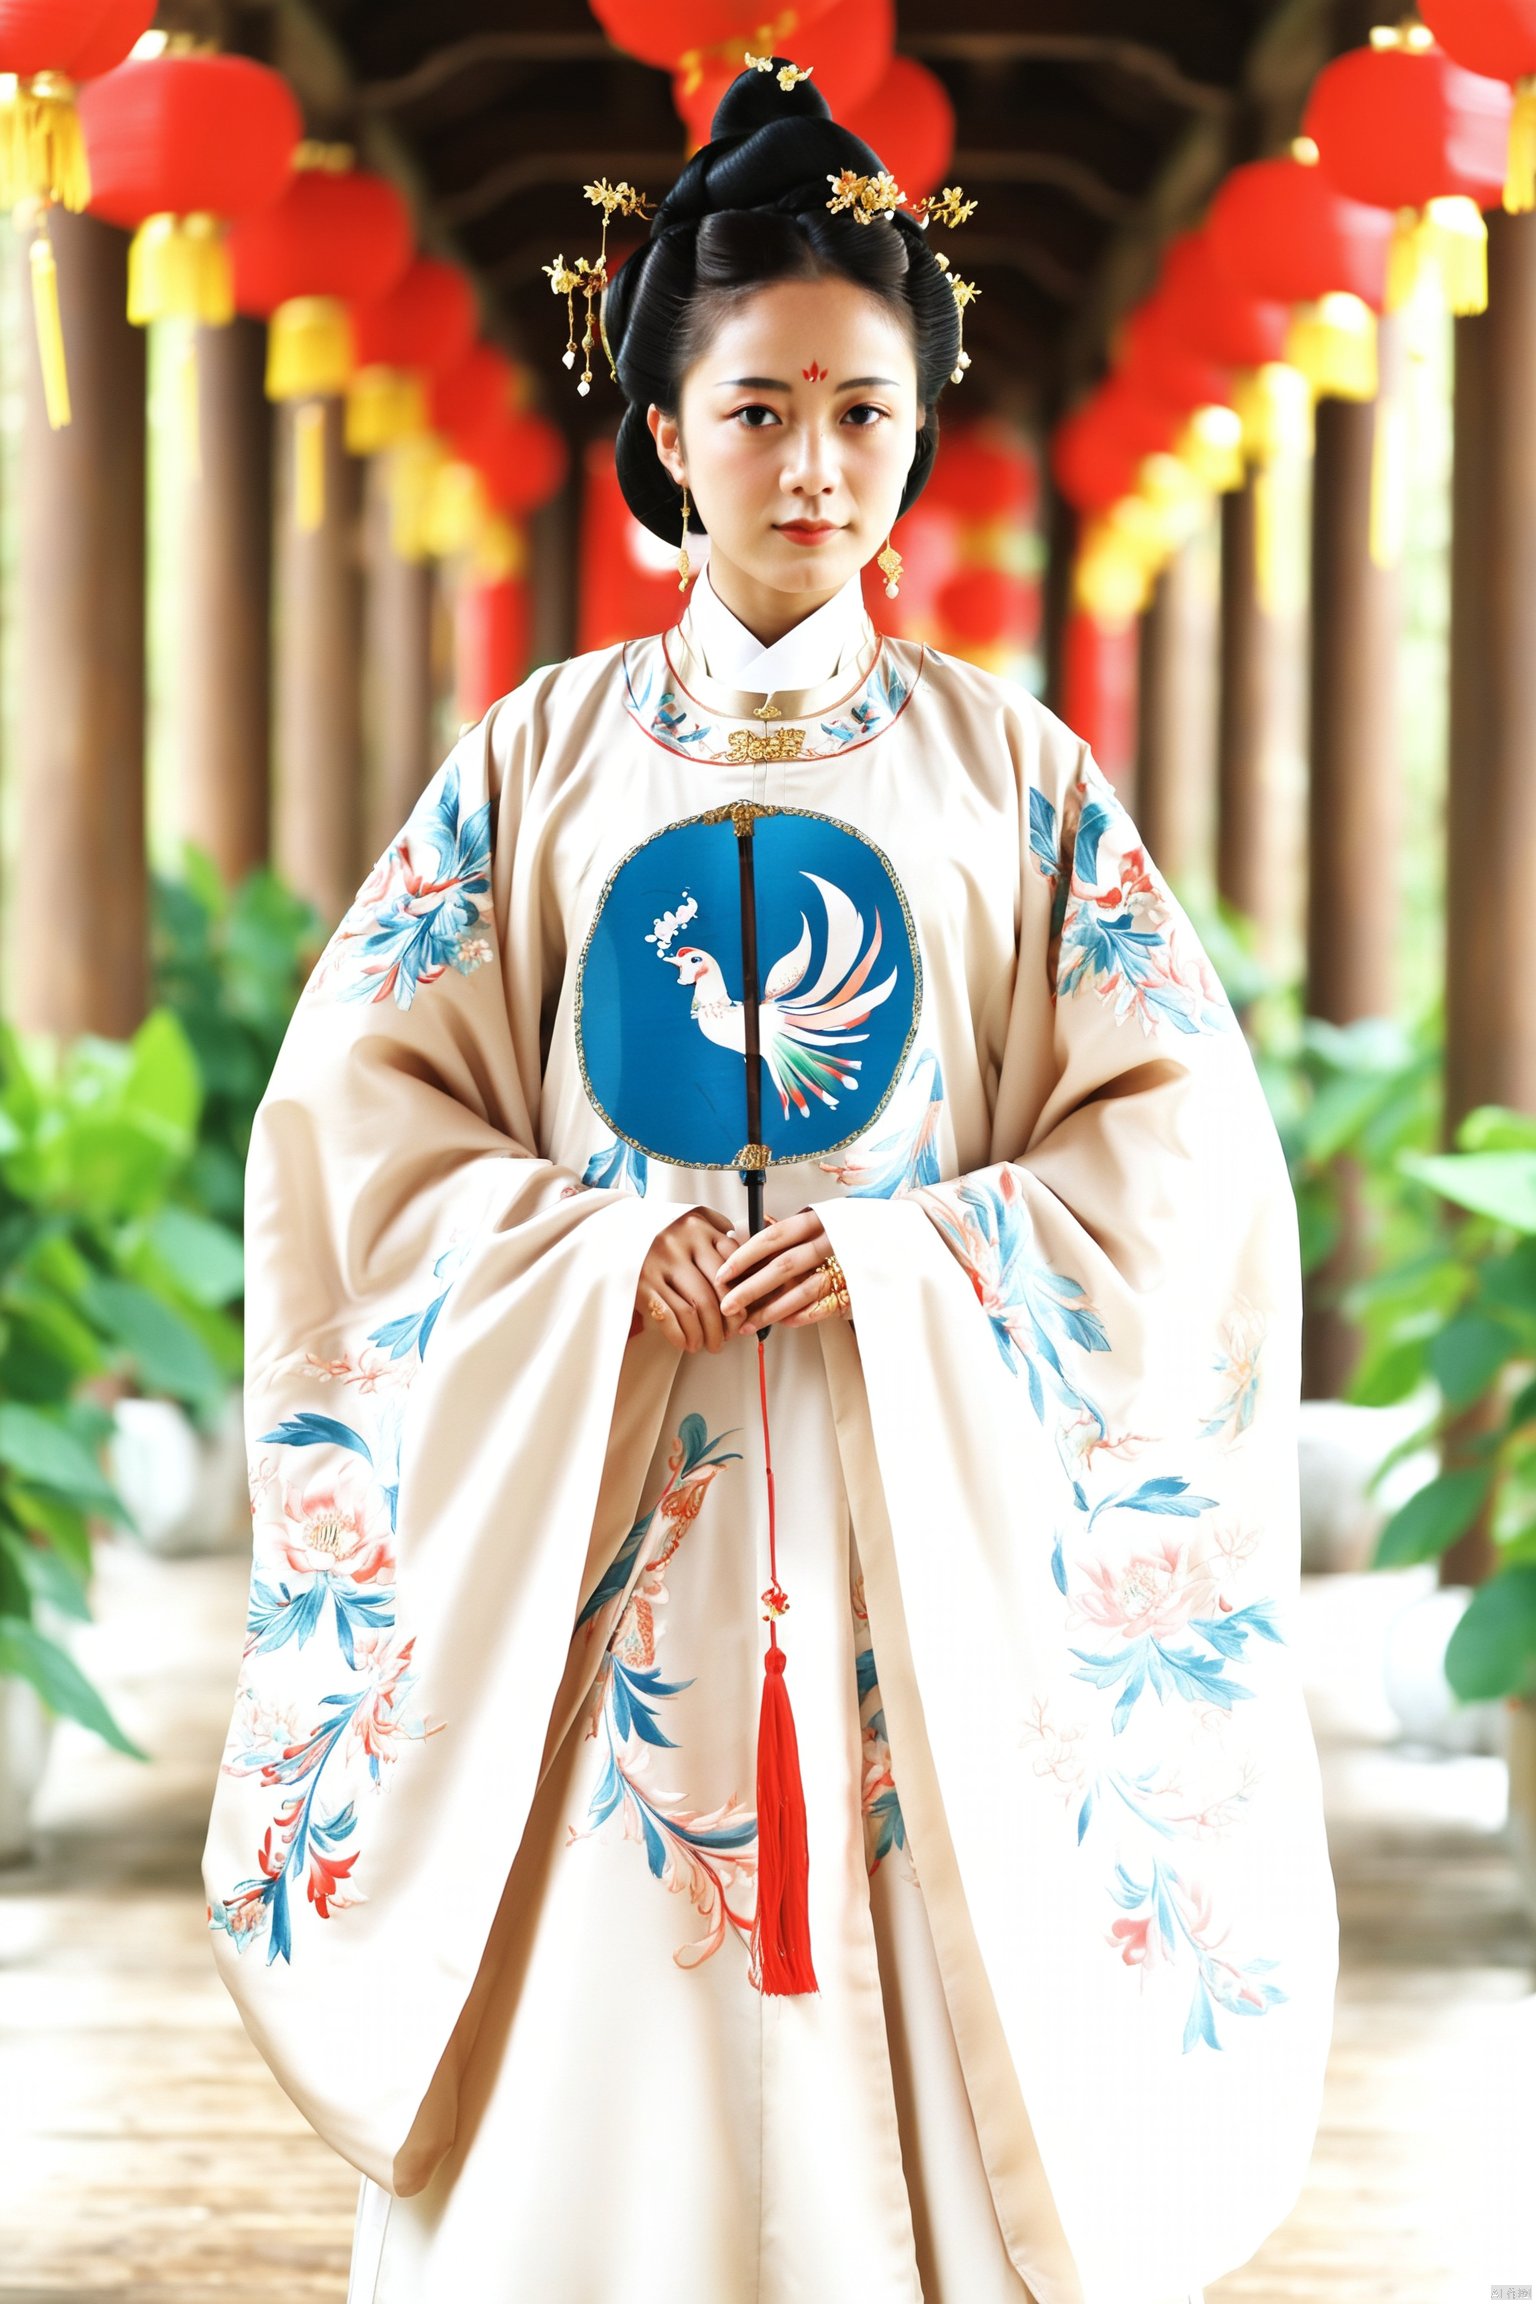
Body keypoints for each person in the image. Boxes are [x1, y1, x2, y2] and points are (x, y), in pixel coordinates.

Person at [201, 57, 1338, 2304]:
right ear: (663, 432)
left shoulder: (1016, 780)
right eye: (757, 412)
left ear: (916, 432)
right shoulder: (528, 764)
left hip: (925, 1491)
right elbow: (362, 1126)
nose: (812, 467)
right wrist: (597, 1253)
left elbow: (1174, 1140)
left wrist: (928, 1257)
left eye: (860, 412)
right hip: (607, 1489)